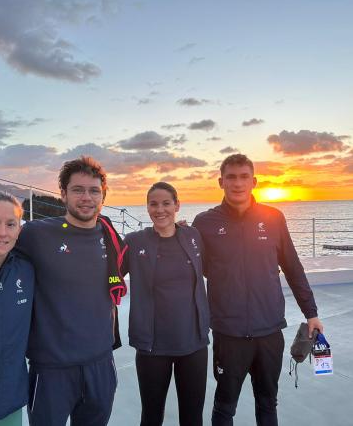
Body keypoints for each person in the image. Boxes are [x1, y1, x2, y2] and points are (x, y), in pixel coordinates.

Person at [192, 154, 324, 426]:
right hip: (229, 334)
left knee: (267, 403)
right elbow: (195, 269)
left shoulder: (273, 218)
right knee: (224, 405)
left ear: (254, 182)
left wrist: (311, 313)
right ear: (220, 181)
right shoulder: (203, 222)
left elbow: (293, 267)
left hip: (269, 332)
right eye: (231, 177)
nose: (237, 183)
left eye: (243, 177)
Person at [16, 156, 127, 426]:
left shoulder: (110, 235)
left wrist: (175, 229)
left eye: (94, 191)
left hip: (101, 363)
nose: (86, 197)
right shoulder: (34, 234)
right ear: (63, 194)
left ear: (103, 196)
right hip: (51, 368)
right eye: (78, 190)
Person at [123, 182, 210, 426]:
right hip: (152, 347)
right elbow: (110, 276)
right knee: (151, 417)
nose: (160, 209)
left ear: (177, 206)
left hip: (193, 344)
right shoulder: (134, 241)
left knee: (193, 418)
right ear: (147, 208)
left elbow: (215, 268)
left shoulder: (193, 236)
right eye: (153, 204)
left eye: (166, 203)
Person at [0, 193, 34, 426]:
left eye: (11, 224)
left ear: (19, 230)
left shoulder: (27, 271)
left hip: (8, 405)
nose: (2, 232)